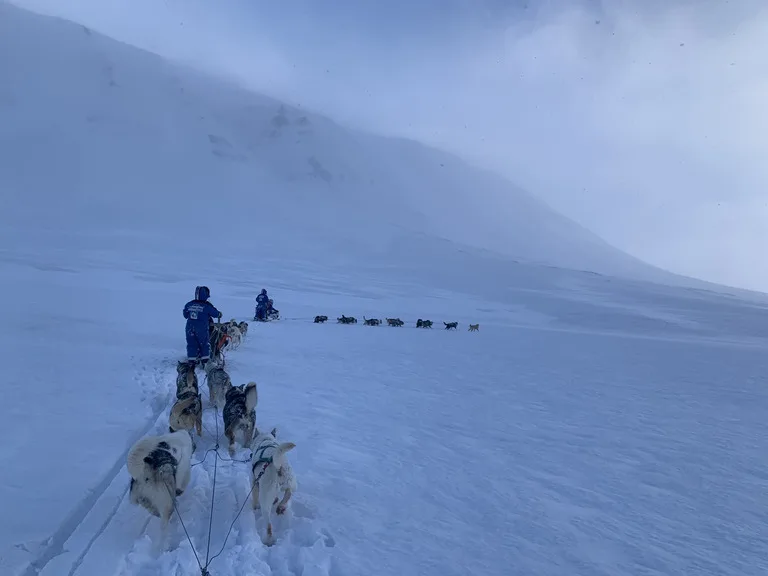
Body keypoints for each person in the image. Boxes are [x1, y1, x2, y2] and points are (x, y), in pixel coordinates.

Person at [183, 285, 222, 364]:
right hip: (201, 328)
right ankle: (205, 362)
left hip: (189, 327)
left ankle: (192, 361)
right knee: (204, 344)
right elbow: (215, 314)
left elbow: (185, 315)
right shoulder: (207, 306)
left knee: (191, 343)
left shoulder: (189, 304)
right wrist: (219, 314)